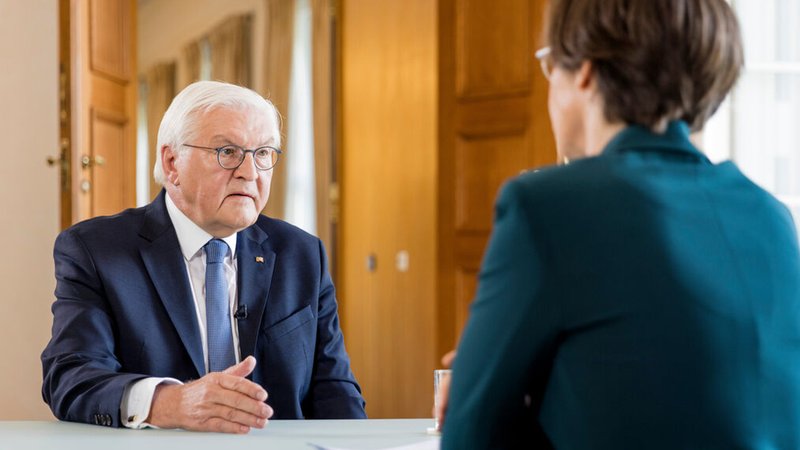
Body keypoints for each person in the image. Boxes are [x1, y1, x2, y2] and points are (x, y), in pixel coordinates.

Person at [441, 0, 800, 448]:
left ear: (586, 73)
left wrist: (487, 388)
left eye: (550, 64)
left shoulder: (546, 206)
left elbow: (469, 436)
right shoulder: (772, 220)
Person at [42, 80, 366, 433]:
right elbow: (71, 378)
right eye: (228, 151)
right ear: (172, 163)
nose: (250, 172)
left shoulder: (301, 254)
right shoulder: (96, 250)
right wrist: (170, 403)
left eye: (263, 153)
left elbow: (334, 389)